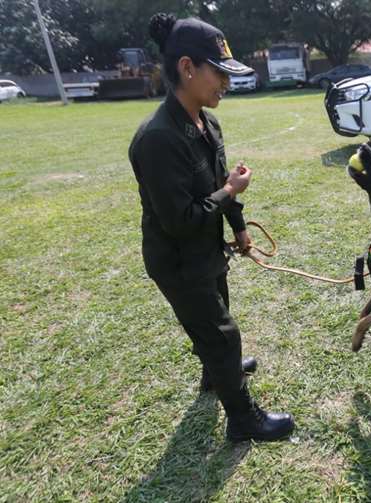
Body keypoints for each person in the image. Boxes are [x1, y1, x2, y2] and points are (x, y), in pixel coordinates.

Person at [128, 13, 294, 442]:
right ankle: (244, 421)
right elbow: (181, 221)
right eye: (218, 72)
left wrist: (238, 226)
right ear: (187, 68)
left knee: (216, 316)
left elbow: (220, 184)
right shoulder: (158, 139)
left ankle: (214, 375)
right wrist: (230, 191)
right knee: (222, 333)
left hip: (208, 248)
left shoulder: (206, 120)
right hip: (179, 259)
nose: (226, 82)